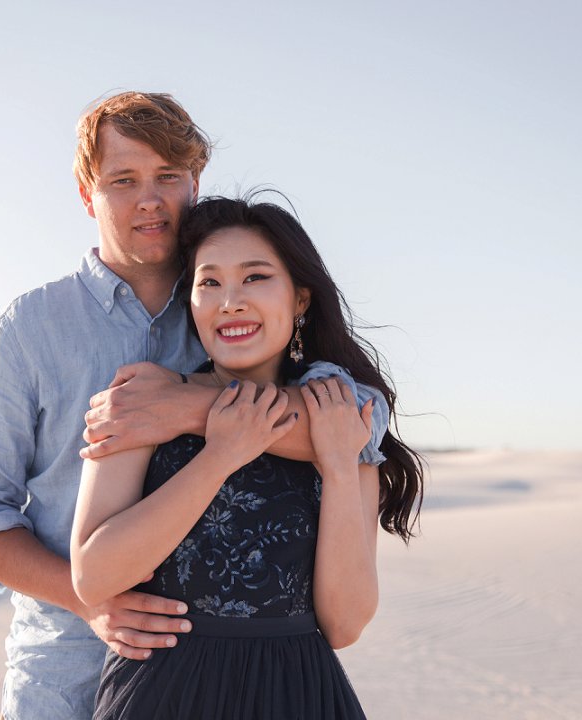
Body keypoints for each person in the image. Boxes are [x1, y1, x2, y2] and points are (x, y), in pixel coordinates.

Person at [0, 93, 380, 720]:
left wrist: (188, 409)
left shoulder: (227, 305)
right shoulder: (31, 328)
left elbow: (359, 428)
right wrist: (87, 599)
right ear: (86, 194)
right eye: (123, 180)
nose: (149, 199)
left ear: (194, 184)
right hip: (63, 672)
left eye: (168, 177)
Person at [71, 195, 424, 719]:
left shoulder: (338, 417)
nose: (229, 301)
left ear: (300, 299)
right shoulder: (145, 402)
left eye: (255, 277)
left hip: (297, 695)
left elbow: (345, 623)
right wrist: (220, 456)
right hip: (164, 694)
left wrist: (337, 468)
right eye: (209, 282)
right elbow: (94, 577)